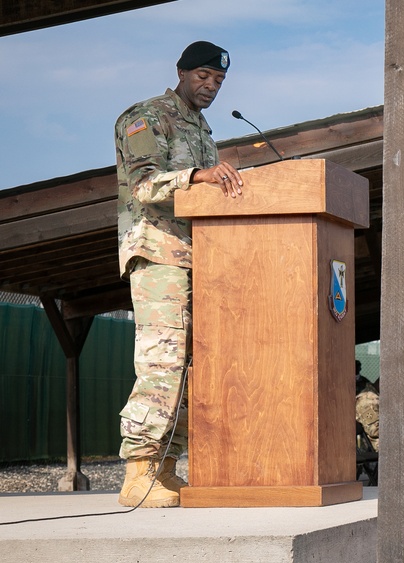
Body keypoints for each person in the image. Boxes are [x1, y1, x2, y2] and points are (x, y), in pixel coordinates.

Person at [116, 41, 242, 508]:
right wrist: (197, 177)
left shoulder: (203, 130)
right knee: (163, 360)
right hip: (158, 252)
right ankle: (139, 471)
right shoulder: (146, 116)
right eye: (204, 76)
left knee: (194, 368)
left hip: (200, 257)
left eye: (219, 81)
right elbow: (145, 184)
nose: (210, 86)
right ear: (182, 72)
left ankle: (167, 470)